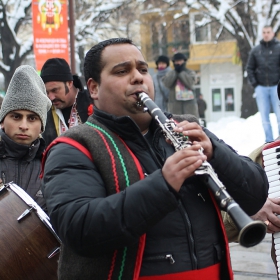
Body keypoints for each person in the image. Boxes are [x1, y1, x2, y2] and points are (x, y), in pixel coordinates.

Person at [41, 38, 268, 279]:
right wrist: (164, 184)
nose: (138, 77)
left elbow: (255, 195)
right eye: (122, 71)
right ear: (94, 88)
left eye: (142, 69)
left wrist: (215, 154)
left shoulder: (185, 128)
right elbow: (80, 229)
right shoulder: (73, 146)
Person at [0, 65, 51, 208]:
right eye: (16, 116)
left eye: (32, 118)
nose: (23, 125)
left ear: (41, 126)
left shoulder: (51, 165)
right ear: (3, 121)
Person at [40, 58, 93, 147]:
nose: (51, 97)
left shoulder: (93, 103)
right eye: (47, 92)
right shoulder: (44, 113)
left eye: (55, 90)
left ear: (69, 83)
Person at [246, 25, 280, 143]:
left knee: (279, 116)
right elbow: (249, 68)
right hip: (261, 88)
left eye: (268, 32)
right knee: (265, 118)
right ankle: (269, 141)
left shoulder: (279, 48)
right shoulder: (256, 50)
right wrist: (255, 85)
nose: (266, 34)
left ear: (273, 33)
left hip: (277, 87)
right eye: (264, 32)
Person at [162, 52, 199, 118]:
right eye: (176, 61)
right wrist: (175, 73)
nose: (178, 63)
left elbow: (190, 83)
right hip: (175, 107)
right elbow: (167, 83)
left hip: (189, 106)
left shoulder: (190, 72)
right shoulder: (171, 73)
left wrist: (181, 73)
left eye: (180, 61)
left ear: (184, 61)